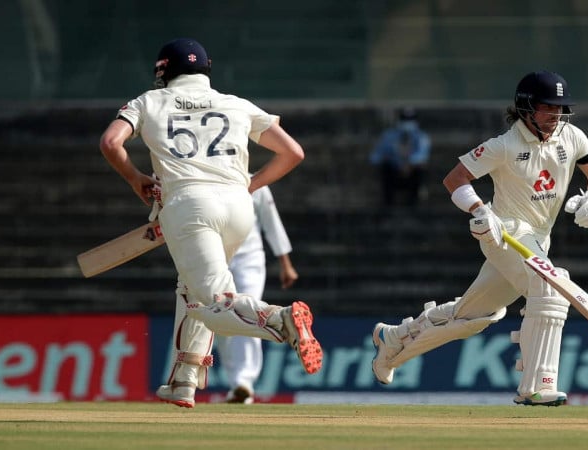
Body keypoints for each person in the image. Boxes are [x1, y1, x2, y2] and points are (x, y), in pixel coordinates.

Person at [99, 38, 322, 408]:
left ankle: (281, 320)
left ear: (162, 71)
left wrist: (136, 178)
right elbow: (293, 152)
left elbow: (110, 143)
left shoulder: (148, 101)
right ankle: (184, 380)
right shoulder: (236, 104)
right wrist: (249, 185)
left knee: (216, 300)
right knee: (192, 291)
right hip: (238, 207)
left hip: (188, 205)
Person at [371, 70, 588, 406]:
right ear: (526, 108)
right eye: (547, 108)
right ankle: (537, 386)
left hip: (538, 238)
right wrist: (480, 210)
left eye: (560, 109)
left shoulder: (572, 137)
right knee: (550, 286)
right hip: (505, 233)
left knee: (473, 317)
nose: (555, 116)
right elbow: (455, 179)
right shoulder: (504, 145)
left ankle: (391, 340)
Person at [217, 184, 298, 404]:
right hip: (217, 261)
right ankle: (236, 383)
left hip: (249, 261)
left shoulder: (258, 183)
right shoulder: (211, 177)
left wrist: (286, 264)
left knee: (250, 314)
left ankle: (244, 383)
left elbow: (272, 225)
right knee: (220, 320)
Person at [369, 107, 431, 207]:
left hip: (412, 173)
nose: (407, 123)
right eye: (405, 119)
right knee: (385, 169)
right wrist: (392, 160)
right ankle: (387, 205)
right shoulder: (388, 136)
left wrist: (409, 164)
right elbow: (375, 157)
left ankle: (414, 204)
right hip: (393, 172)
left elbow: (422, 155)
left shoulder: (421, 136)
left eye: (410, 120)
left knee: (421, 169)